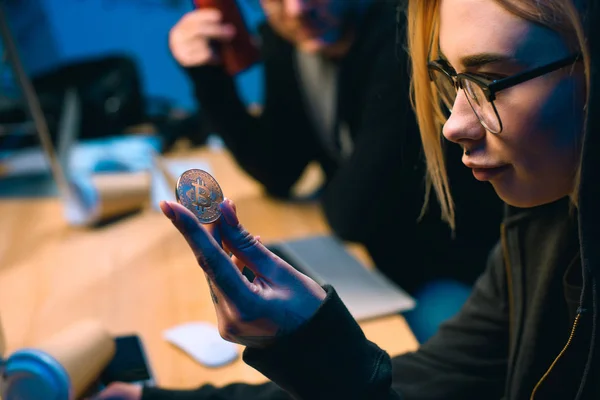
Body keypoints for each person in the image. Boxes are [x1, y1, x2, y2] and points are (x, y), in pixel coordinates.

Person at [95, 0, 600, 398]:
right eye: (450, 78)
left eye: (489, 80)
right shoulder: (545, 222)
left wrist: (312, 346)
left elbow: (351, 210)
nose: (452, 124)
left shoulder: (389, 37)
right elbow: (428, 375)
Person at [168, 0, 504, 300]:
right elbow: (278, 169)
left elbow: (354, 215)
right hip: (371, 259)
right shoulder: (292, 37)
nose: (296, 8)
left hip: (451, 267)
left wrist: (331, 190)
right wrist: (209, 76)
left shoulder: (402, 33)